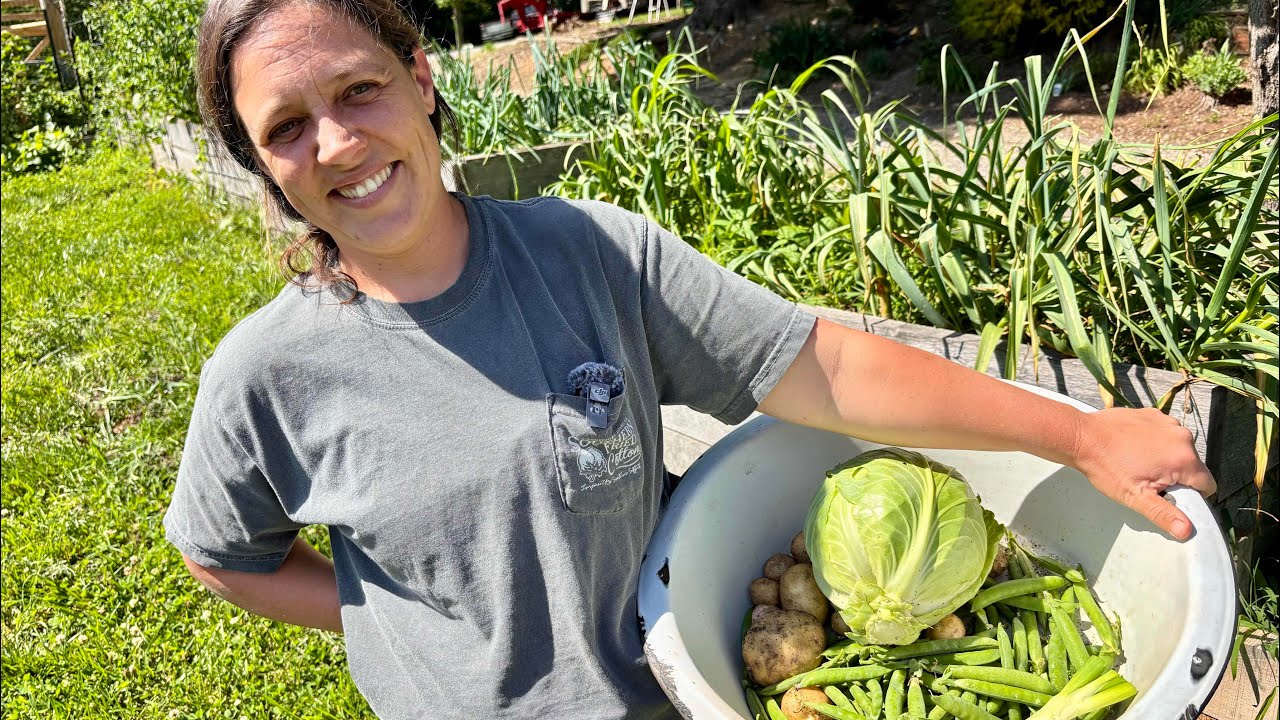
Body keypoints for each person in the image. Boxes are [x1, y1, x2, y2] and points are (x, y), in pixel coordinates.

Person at [163, 1, 1217, 718]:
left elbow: (818, 366)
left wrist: (1077, 430)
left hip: (663, 694)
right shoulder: (265, 374)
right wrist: (396, 618)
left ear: (421, 78)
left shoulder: (589, 255)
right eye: (287, 126)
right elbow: (225, 556)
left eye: (357, 91)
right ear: (259, 162)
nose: (337, 143)